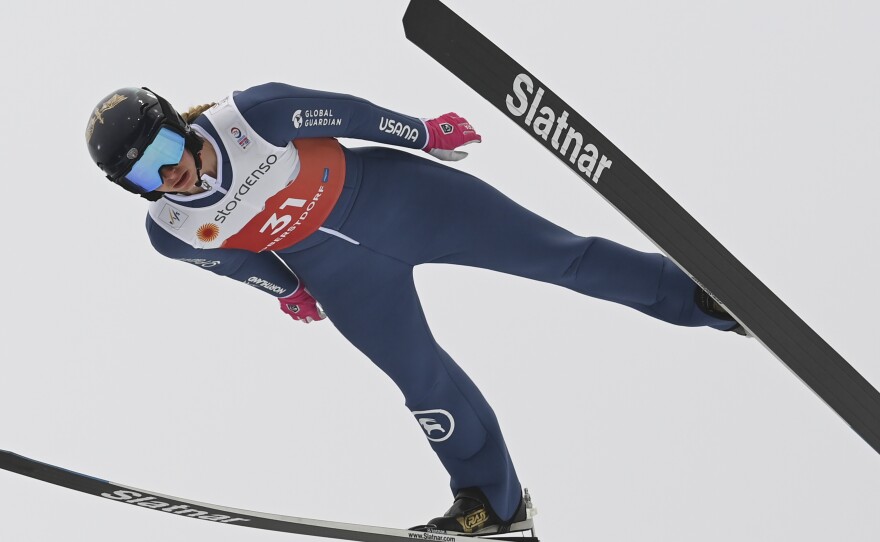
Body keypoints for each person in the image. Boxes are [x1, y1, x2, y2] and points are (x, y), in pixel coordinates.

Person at [85, 83, 742, 536]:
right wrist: (286, 290)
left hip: (408, 202)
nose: (168, 177)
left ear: (179, 125)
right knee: (422, 384)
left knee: (558, 257)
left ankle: (700, 297)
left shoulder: (251, 116)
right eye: (144, 177)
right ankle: (494, 503)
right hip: (346, 279)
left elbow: (346, 114)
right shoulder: (169, 232)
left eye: (166, 154)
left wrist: (423, 133)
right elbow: (231, 262)